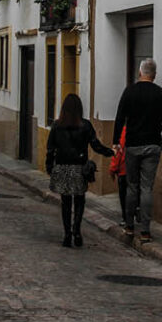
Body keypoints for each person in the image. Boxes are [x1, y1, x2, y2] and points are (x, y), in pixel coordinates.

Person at [113, 58, 162, 242]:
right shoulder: (161, 94)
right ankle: (145, 230)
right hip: (153, 145)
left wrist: (116, 142)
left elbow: (120, 116)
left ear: (140, 72)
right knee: (147, 187)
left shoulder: (130, 91)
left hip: (132, 145)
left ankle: (130, 227)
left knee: (132, 186)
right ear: (154, 75)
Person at [45, 93, 114, 248]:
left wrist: (49, 166)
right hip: (79, 168)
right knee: (80, 200)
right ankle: (77, 230)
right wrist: (109, 152)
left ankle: (67, 234)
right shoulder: (85, 125)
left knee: (66, 202)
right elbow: (95, 145)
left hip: (63, 167)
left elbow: (50, 149)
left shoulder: (57, 125)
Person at [109, 123, 128, 224]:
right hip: (136, 169)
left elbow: (118, 151)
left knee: (124, 195)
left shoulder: (124, 131)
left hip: (124, 169)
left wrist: (113, 169)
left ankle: (126, 219)